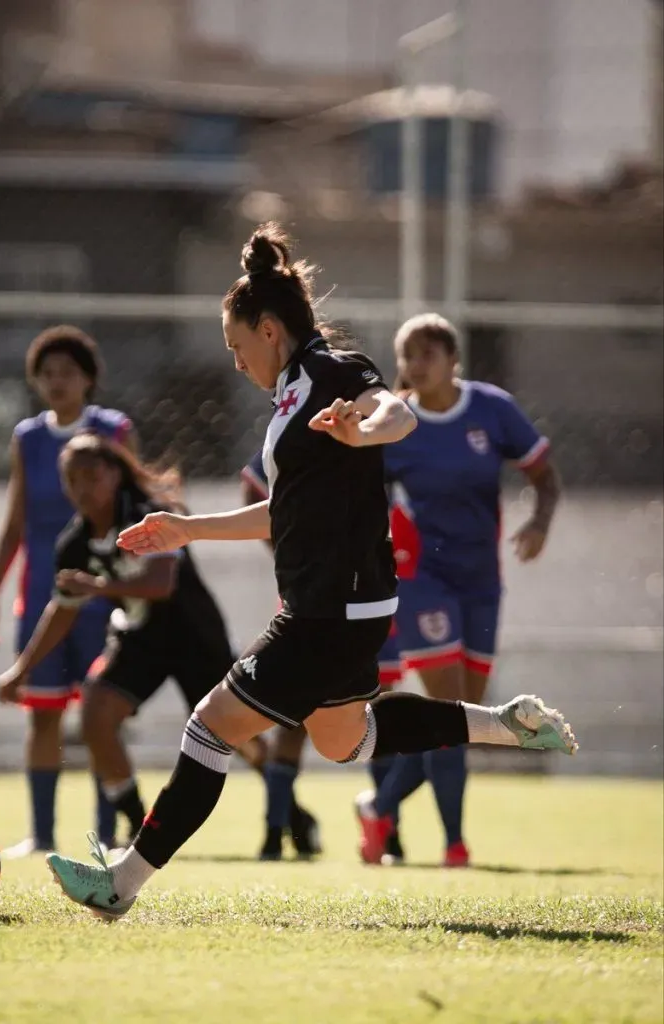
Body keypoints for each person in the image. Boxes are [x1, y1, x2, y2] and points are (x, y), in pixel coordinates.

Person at [45, 223, 577, 921]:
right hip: (346, 607)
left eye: (236, 346)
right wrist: (187, 528)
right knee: (344, 739)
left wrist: (364, 430)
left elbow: (396, 414)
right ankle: (505, 725)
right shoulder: (291, 396)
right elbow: (283, 511)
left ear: (268, 330)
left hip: (329, 609)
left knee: (210, 727)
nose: (236, 362)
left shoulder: (331, 370)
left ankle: (121, 884)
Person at [355, 312, 562, 867]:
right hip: (423, 580)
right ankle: (454, 845)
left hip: (482, 582)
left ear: (454, 359)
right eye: (408, 355)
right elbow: (363, 499)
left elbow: (544, 476)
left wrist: (539, 523)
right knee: (450, 710)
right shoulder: (394, 422)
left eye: (428, 353)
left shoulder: (491, 409)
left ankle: (378, 807)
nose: (415, 365)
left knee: (468, 720)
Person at [0, 432, 253, 848]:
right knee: (95, 713)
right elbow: (63, 609)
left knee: (240, 738)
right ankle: (137, 825)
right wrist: (20, 671)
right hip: (140, 639)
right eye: (72, 479)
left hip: (194, 637)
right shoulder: (74, 543)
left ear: (115, 474)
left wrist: (97, 586)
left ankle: (288, 814)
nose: (82, 488)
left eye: (91, 476)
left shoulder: (147, 517)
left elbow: (161, 584)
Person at [0, 325, 137, 858]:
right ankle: (42, 835)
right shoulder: (27, 438)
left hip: (102, 598)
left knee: (101, 713)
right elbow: (15, 521)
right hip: (42, 598)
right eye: (46, 374)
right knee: (43, 712)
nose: (56, 382)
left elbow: (136, 507)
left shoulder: (114, 431)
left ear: (88, 378)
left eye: (67, 372)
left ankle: (106, 834)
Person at [240, 452, 322, 862]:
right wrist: (287, 550)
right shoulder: (301, 432)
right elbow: (253, 483)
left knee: (379, 713)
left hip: (369, 599)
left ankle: (385, 821)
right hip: (310, 600)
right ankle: (275, 832)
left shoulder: (380, 433)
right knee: (293, 720)